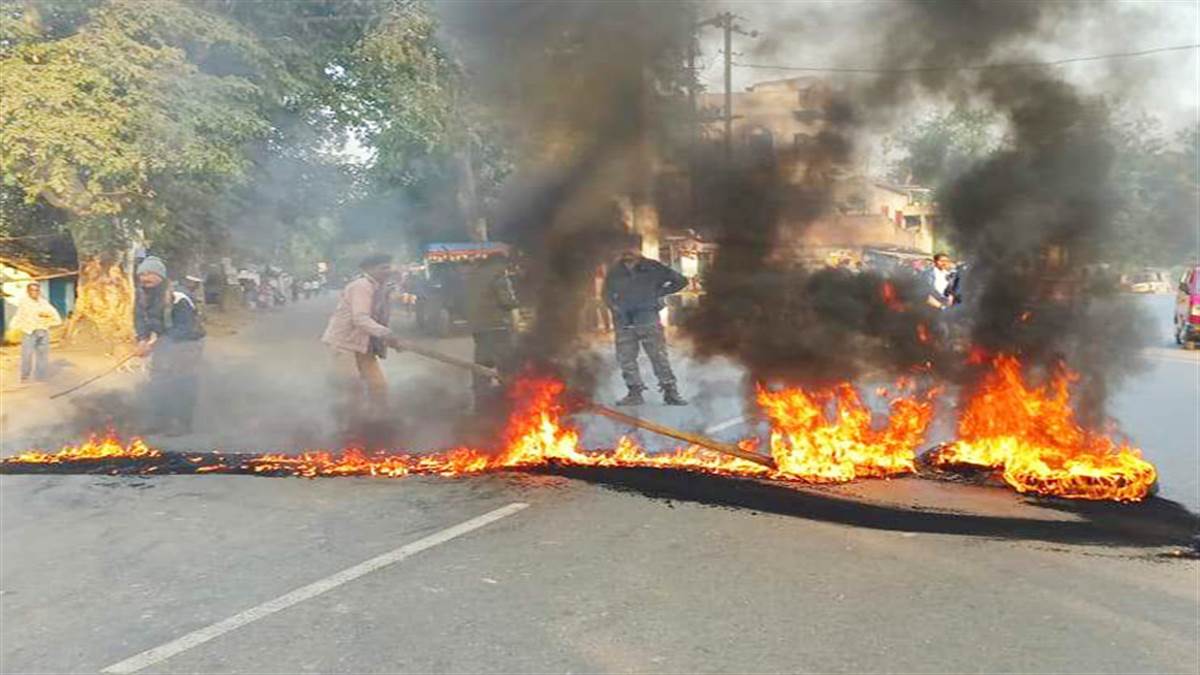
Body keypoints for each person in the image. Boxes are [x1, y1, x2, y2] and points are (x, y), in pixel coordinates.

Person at [602, 248, 689, 406]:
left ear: (638, 250)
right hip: (624, 322)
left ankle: (670, 392)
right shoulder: (615, 271)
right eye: (625, 248)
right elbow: (606, 294)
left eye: (631, 248)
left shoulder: (653, 267)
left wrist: (659, 292)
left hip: (648, 319)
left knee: (658, 357)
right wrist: (614, 308)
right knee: (626, 359)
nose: (628, 252)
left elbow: (681, 281)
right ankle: (634, 392)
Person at [321, 253, 404, 418]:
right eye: (383, 268)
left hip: (365, 344)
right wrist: (386, 334)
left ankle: (380, 420)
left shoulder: (381, 288)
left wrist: (388, 338)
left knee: (378, 386)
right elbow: (360, 318)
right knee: (352, 387)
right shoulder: (361, 286)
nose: (388, 271)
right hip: (344, 343)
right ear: (368, 269)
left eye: (389, 267)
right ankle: (350, 426)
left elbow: (379, 318)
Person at [135, 256, 206, 435]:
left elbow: (186, 327)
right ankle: (159, 421)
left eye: (150, 273)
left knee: (182, 382)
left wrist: (157, 342)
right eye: (142, 274)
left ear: (161, 276)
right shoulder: (141, 294)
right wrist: (142, 339)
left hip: (188, 344)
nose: (145, 278)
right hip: (163, 344)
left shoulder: (179, 296)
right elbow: (139, 319)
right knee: (158, 381)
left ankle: (183, 424)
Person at [462, 254, 520, 412]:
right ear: (501, 263)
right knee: (507, 368)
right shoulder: (498, 275)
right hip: (498, 327)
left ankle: (481, 407)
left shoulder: (473, 276)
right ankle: (512, 407)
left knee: (482, 366)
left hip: (478, 329)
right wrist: (515, 311)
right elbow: (507, 301)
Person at [10, 282, 62, 383]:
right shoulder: (24, 302)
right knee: (27, 355)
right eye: (32, 290)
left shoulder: (43, 302)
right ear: (28, 291)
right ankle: (25, 376)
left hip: (43, 331)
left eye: (36, 290)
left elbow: (53, 314)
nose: (34, 292)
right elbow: (20, 316)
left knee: (42, 355)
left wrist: (48, 318)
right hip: (30, 332)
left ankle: (40, 376)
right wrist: (15, 327)